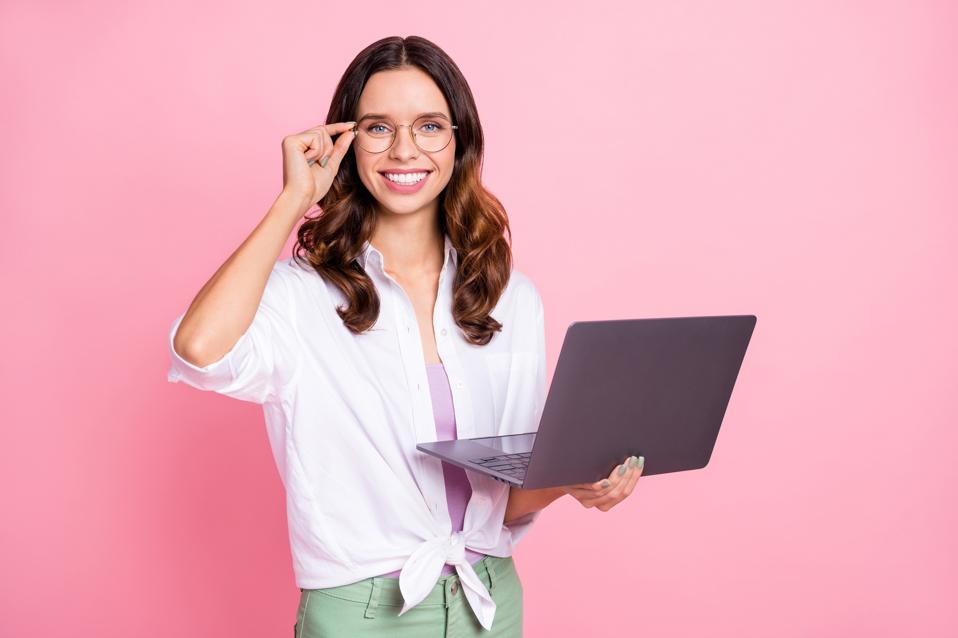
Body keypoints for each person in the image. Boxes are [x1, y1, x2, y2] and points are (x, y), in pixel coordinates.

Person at [166, 35, 644, 637]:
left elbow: (506, 496)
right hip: (361, 611)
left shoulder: (510, 297)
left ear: (460, 141)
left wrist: (571, 481)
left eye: (429, 126)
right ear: (345, 142)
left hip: (488, 602)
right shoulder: (299, 295)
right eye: (378, 128)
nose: (404, 149)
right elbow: (198, 350)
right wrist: (293, 200)